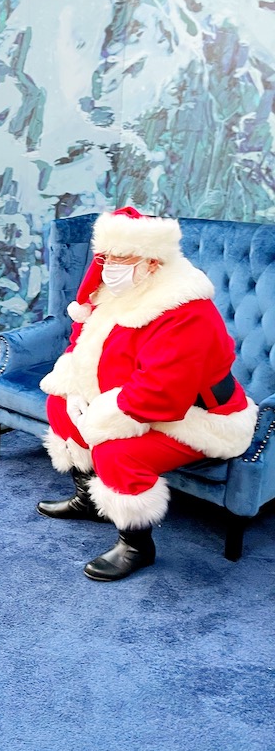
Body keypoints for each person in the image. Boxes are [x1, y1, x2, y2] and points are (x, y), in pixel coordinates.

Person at [37, 206, 258, 581]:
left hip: (197, 417)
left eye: (122, 259)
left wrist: (99, 415)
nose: (110, 267)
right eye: (107, 258)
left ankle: (136, 545)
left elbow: (163, 393)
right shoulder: (115, 292)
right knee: (59, 404)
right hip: (129, 398)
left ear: (153, 262)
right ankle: (90, 500)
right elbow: (82, 342)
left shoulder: (186, 311)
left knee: (116, 450)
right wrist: (76, 390)